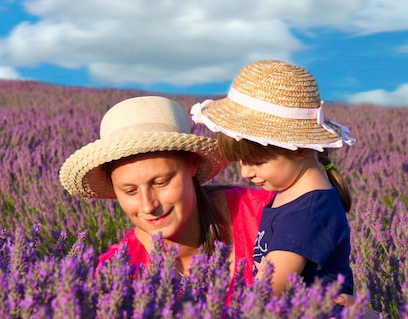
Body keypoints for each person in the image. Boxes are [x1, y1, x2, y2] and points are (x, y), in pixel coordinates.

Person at [58, 95, 273, 287]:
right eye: (130, 191)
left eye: (161, 182)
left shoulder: (267, 214)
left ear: (193, 164)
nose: (148, 206)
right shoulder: (118, 271)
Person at [191, 59, 356, 302]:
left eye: (257, 162)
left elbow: (266, 294)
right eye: (240, 161)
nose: (245, 173)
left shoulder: (306, 214)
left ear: (300, 148)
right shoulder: (295, 193)